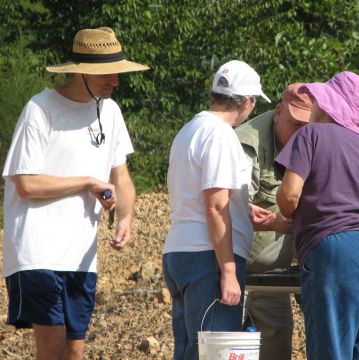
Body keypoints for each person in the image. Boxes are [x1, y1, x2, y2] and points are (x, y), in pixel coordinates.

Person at [2, 27, 149, 360]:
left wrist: (125, 216)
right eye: (108, 73)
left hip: (81, 254)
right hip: (36, 250)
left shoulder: (110, 112)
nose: (116, 80)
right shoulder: (40, 109)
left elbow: (120, 175)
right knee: (52, 343)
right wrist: (86, 182)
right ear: (82, 72)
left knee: (75, 349)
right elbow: (25, 184)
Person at [235, 82, 359, 360]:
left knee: (331, 349)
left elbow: (289, 196)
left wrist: (289, 216)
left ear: (327, 105)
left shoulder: (309, 136)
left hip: (337, 250)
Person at [163, 60, 279, 360]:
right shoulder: (222, 135)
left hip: (180, 250)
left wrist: (242, 207)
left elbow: (199, 193)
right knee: (216, 353)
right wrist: (228, 270)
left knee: (190, 349)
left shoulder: (189, 130)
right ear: (248, 101)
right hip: (209, 257)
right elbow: (215, 207)